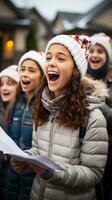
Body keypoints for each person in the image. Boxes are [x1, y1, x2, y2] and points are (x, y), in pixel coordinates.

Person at [12, 35, 108, 200]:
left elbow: (93, 173)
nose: (51, 62)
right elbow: (38, 149)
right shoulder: (42, 106)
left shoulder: (92, 116)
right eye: (48, 57)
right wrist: (27, 160)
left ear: (75, 70)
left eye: (61, 58)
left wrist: (52, 172)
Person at [3, 50, 45, 200]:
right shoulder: (16, 103)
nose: (24, 74)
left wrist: (29, 164)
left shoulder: (44, 106)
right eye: (22, 69)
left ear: (42, 76)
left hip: (34, 179)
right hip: (12, 175)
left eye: (32, 70)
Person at [0, 65, 19, 200]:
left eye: (10, 84)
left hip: (15, 171)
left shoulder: (21, 111)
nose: (5, 88)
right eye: (1, 84)